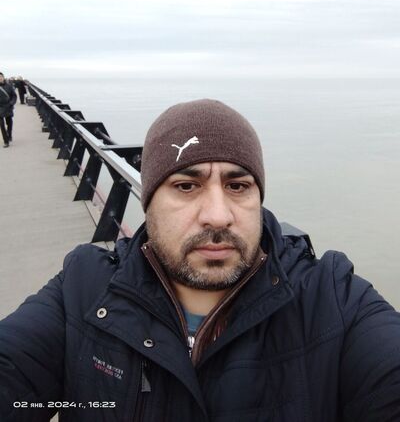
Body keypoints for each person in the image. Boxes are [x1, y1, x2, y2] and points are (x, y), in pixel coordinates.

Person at [0, 99, 399, 421]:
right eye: (187, 186)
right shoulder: (83, 292)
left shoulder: (332, 300)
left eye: (238, 186)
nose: (218, 215)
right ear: (149, 202)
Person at [0, 72, 17, 148]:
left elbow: (14, 96)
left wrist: (11, 103)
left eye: (1, 77)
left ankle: (9, 134)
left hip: (8, 107)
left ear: (3, 77)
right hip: (0, 108)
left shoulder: (9, 86)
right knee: (2, 125)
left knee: (9, 122)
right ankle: (6, 141)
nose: (0, 78)